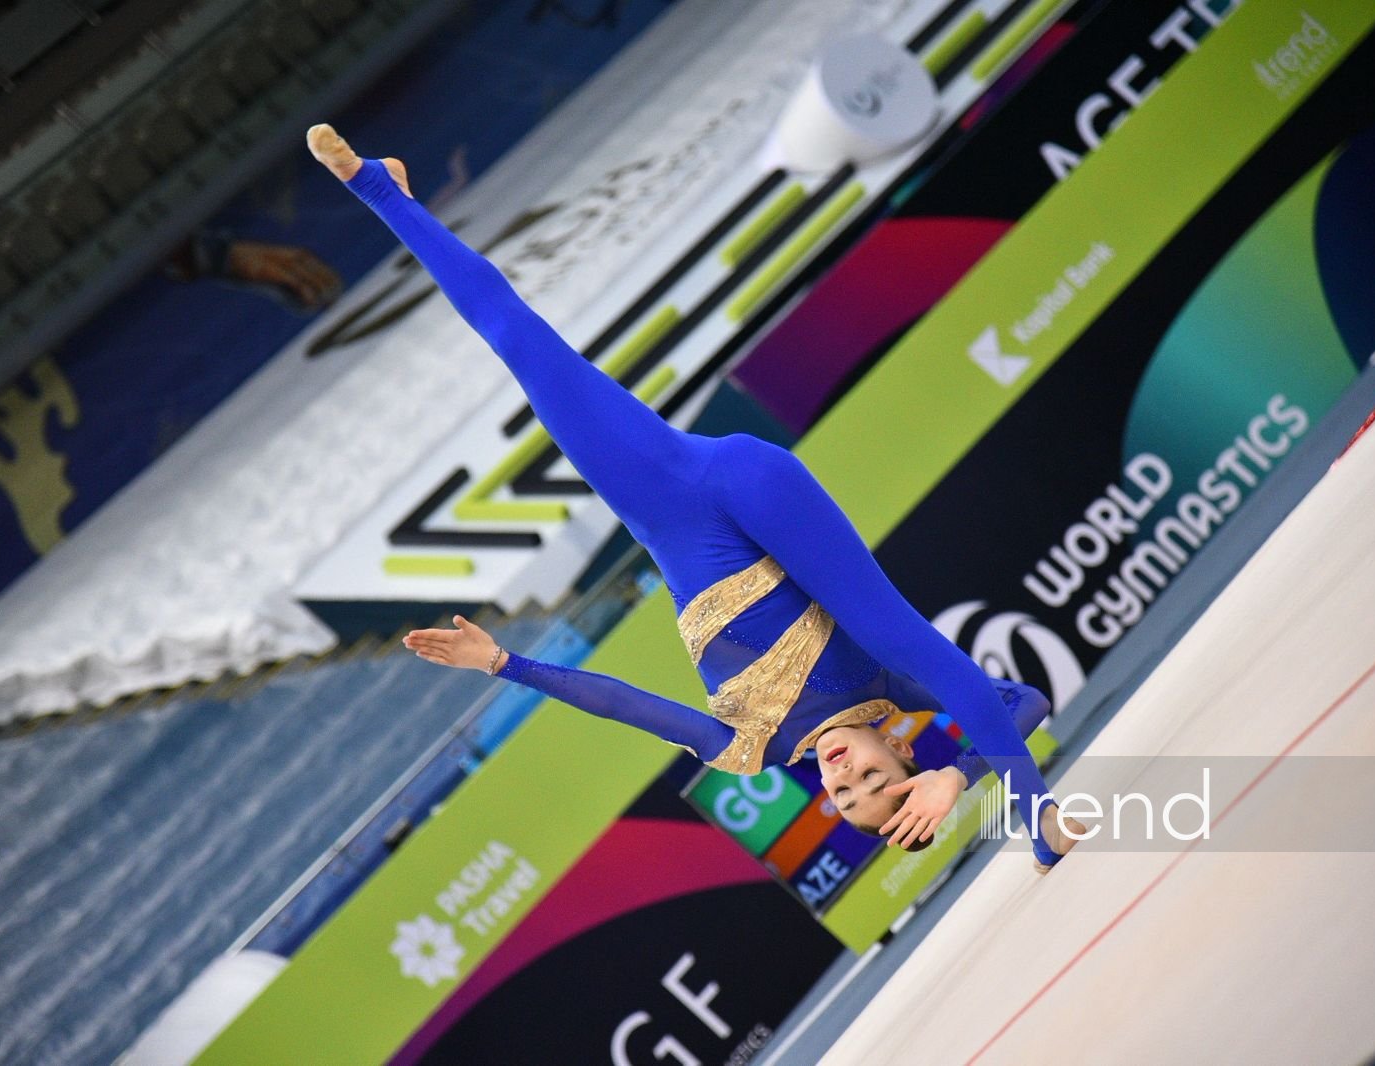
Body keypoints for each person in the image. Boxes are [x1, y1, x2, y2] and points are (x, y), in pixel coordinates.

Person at [306, 125, 1083, 871]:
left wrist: (506, 663)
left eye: (845, 796)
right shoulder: (890, 691)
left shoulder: (755, 750)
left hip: (665, 507)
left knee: (523, 348)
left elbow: (622, 705)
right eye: (878, 779)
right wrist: (964, 777)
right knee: (901, 634)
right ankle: (1038, 813)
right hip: (755, 491)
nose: (851, 774)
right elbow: (1021, 700)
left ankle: (386, 194)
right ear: (904, 749)